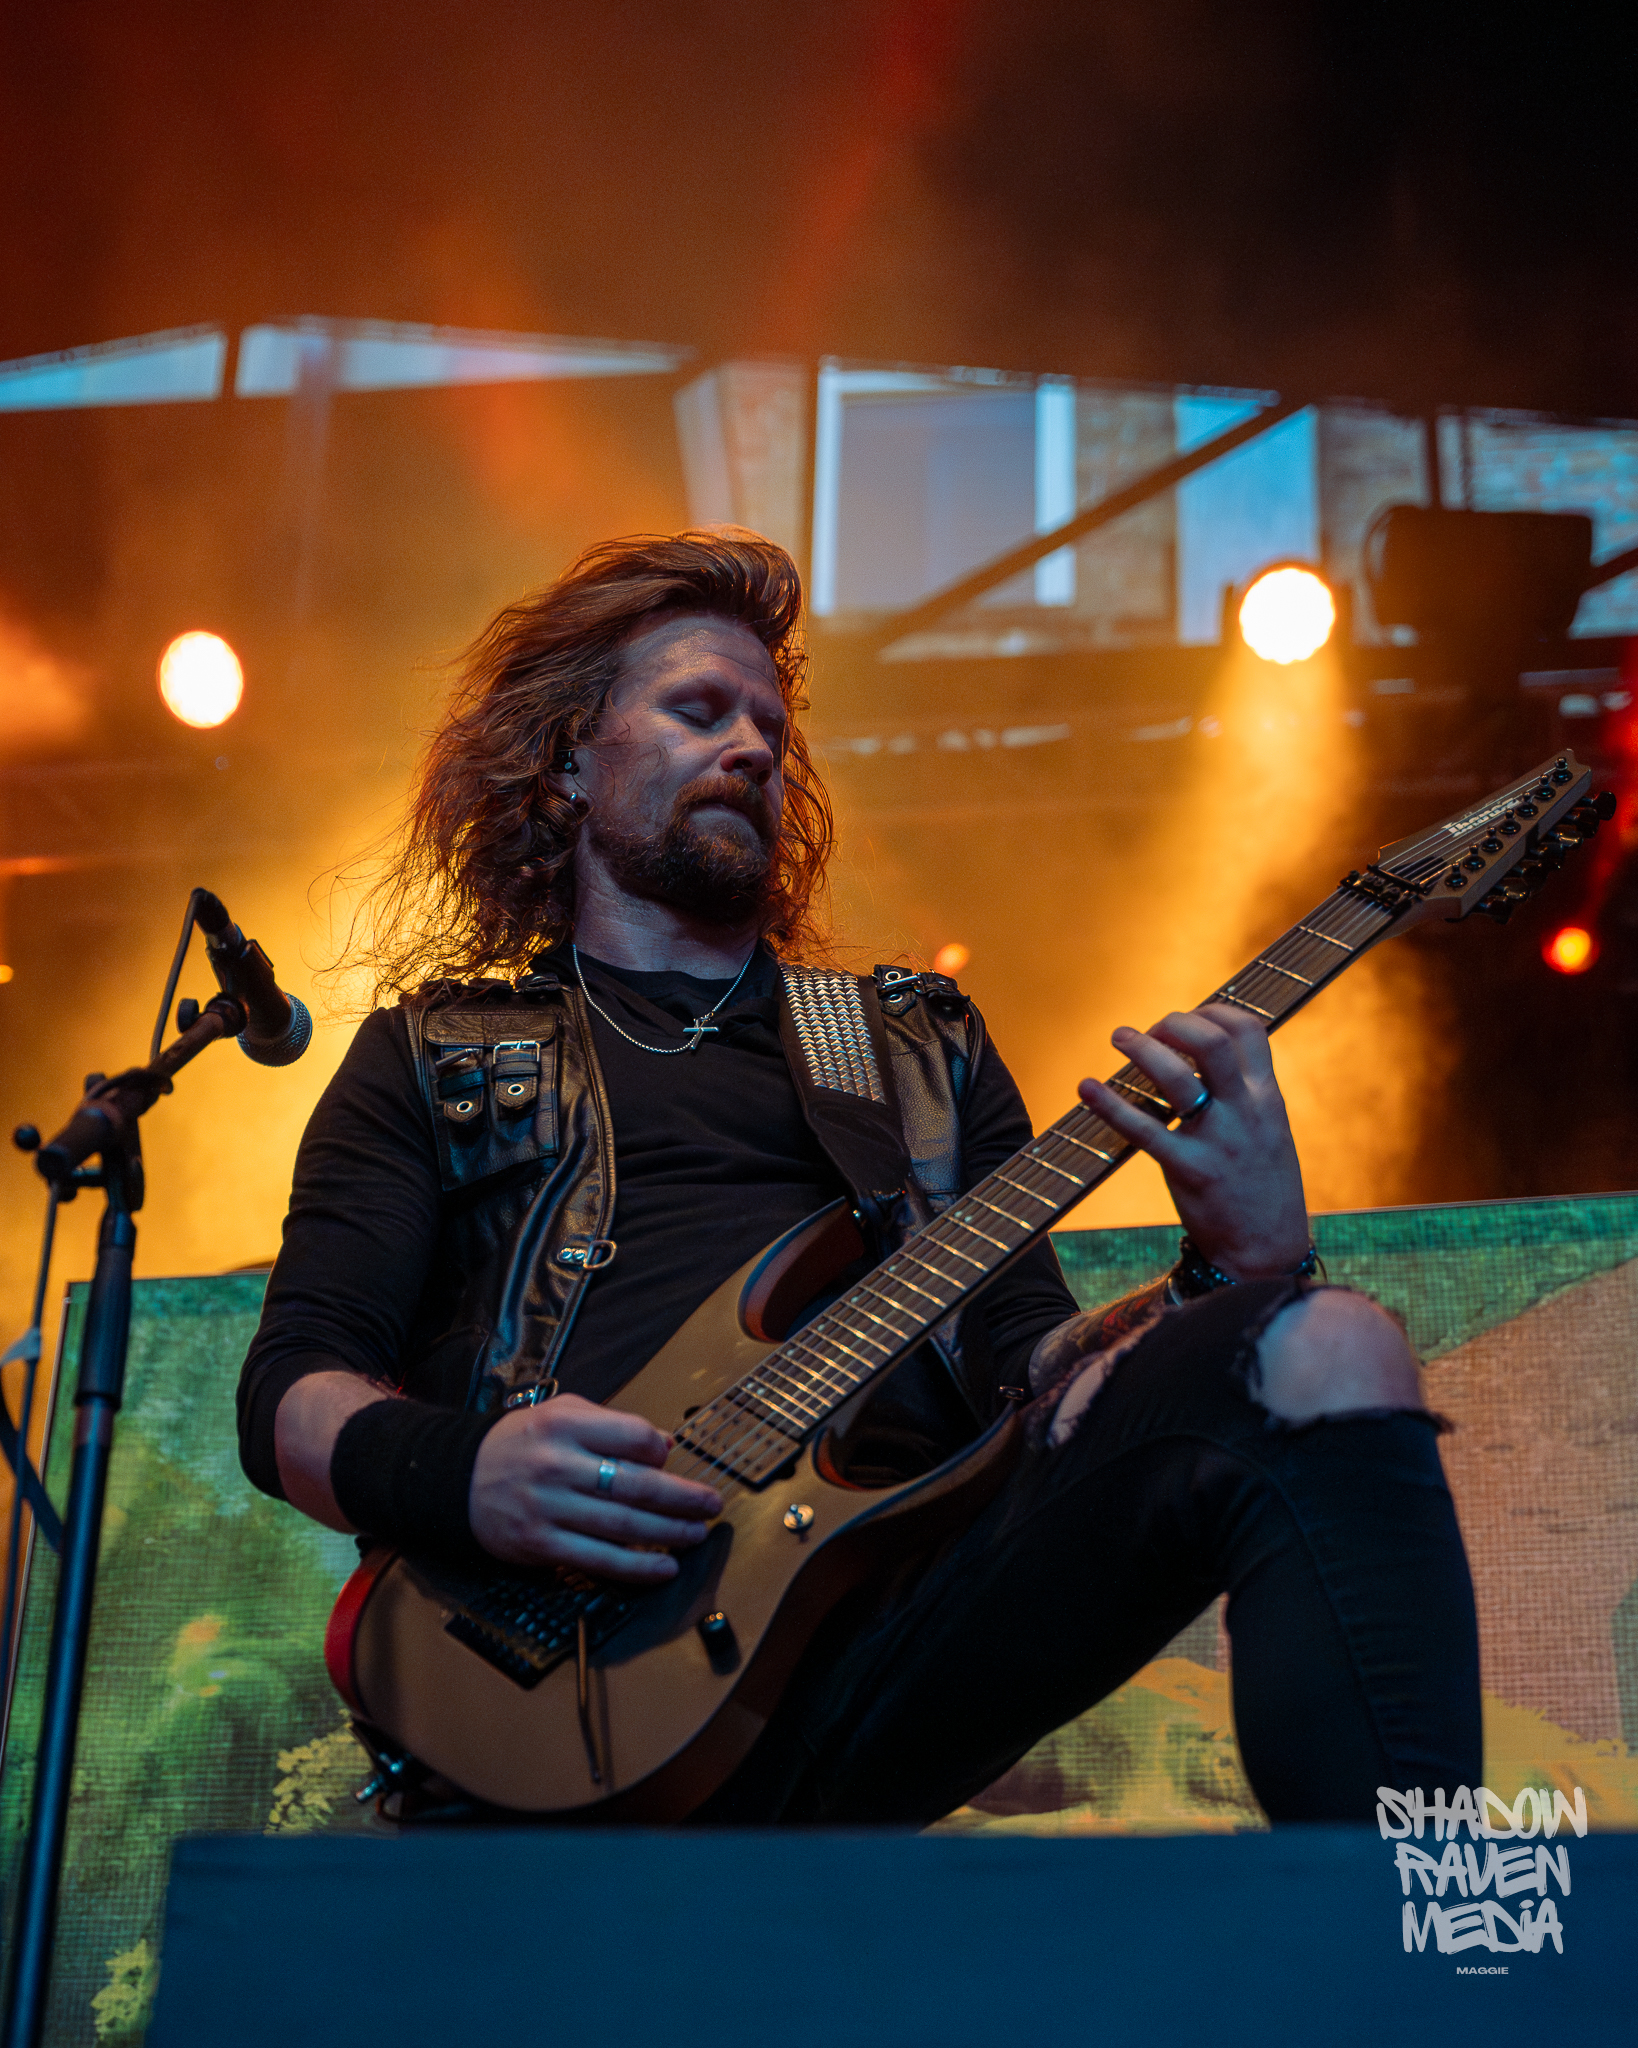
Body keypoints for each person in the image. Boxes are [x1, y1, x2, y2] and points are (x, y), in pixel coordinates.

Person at [237, 528, 1480, 1826]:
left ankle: (1420, 1949)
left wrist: (1236, 1270)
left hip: (895, 1636)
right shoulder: (440, 1055)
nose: (755, 747)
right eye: (698, 709)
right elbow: (290, 1392)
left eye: (772, 725)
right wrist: (468, 1472)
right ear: (567, 756)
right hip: (561, 1666)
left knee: (1326, 1346)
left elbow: (1034, 1377)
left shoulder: (911, 1049)